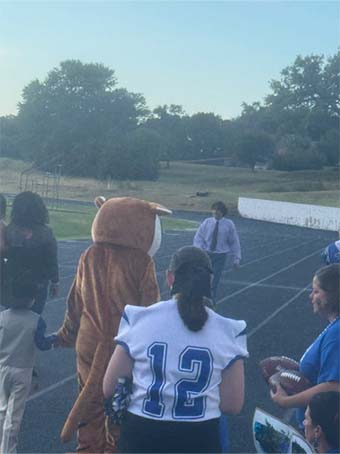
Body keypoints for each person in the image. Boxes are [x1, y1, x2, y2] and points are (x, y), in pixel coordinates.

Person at [103, 246, 248, 453]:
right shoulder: (229, 331)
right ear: (208, 281)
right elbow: (232, 405)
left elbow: (109, 387)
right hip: (199, 437)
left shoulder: (139, 319)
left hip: (141, 434)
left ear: (170, 278)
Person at [56, 197, 171, 453]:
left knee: (89, 402)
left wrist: (66, 334)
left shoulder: (89, 255)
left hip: (88, 344)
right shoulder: (142, 262)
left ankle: (87, 447)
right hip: (125, 348)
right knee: (119, 406)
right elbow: (150, 309)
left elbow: (74, 301)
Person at [270, 264, 340, 428]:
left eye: (316, 291)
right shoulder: (334, 327)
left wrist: (286, 401)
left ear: (333, 296)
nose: (310, 296)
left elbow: (334, 387)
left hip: (325, 429)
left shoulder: (337, 333)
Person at [0, 274, 57, 453]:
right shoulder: (35, 320)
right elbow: (42, 344)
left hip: (2, 367)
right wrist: (56, 339)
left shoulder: (2, 317)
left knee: (1, 408)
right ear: (32, 299)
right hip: (23, 369)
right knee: (14, 415)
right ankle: (8, 450)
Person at [4, 191, 59, 314]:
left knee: (11, 317)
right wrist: (55, 281)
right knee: (34, 319)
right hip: (38, 282)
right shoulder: (46, 233)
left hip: (13, 281)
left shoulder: (10, 230)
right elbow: (51, 259)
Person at [193, 201, 241, 305]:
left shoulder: (229, 225)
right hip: (206, 254)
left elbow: (234, 242)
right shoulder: (207, 222)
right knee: (203, 278)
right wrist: (199, 250)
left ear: (223, 213)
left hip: (220, 255)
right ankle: (200, 298)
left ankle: (211, 300)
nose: (215, 215)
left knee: (214, 279)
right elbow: (198, 237)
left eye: (218, 213)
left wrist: (236, 258)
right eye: (214, 213)